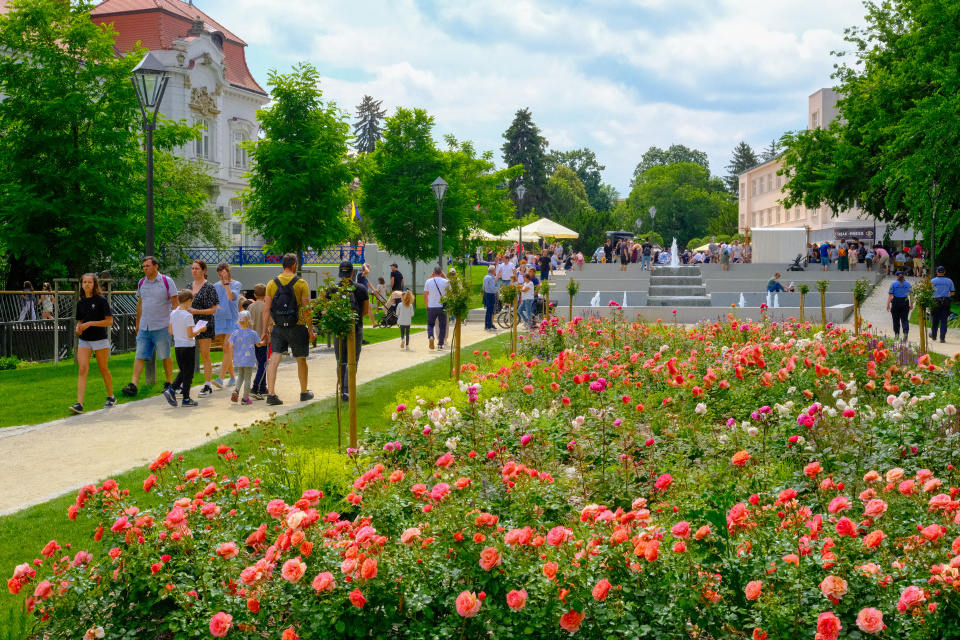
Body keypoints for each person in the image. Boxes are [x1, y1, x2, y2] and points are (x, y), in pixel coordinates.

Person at [261, 253, 315, 406]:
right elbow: (306, 308)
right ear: (294, 265)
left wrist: (265, 331)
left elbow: (267, 310)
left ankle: (271, 394)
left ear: (283, 265)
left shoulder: (272, 283)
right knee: (301, 359)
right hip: (297, 327)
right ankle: (304, 393)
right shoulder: (301, 283)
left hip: (278, 327)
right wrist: (310, 329)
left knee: (274, 359)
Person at [122, 257, 177, 397]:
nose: (145, 268)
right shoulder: (142, 282)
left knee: (165, 355)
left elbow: (175, 304)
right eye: (143, 266)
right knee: (139, 354)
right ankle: (133, 385)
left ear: (155, 266)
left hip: (162, 325)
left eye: (147, 266)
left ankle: (169, 383)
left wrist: (174, 323)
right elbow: (139, 304)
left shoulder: (167, 281)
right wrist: (137, 323)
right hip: (144, 326)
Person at [69, 273, 115, 414]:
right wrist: (79, 327)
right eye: (84, 282)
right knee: (82, 369)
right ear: (81, 284)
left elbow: (109, 321)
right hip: (85, 340)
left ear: (94, 284)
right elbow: (80, 321)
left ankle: (111, 396)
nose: (87, 284)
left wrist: (90, 324)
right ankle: (79, 404)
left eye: (90, 282)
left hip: (100, 339)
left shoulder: (101, 301)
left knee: (103, 368)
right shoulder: (80, 303)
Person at [325, 260, 369, 401]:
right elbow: (366, 310)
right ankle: (347, 390)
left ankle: (342, 389)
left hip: (338, 329)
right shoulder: (361, 288)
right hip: (355, 328)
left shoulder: (332, 289)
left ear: (340, 273)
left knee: (341, 360)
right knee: (353, 360)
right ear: (352, 273)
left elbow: (327, 309)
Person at [162, 289, 205, 408]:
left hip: (177, 346)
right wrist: (200, 329)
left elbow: (170, 331)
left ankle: (173, 390)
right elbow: (191, 334)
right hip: (188, 346)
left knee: (183, 371)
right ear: (188, 300)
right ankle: (184, 397)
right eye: (191, 302)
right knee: (188, 373)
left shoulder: (173, 313)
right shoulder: (188, 315)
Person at [186, 260, 219, 397]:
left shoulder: (209, 287)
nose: (194, 271)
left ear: (204, 270)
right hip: (190, 324)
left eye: (197, 269)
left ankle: (207, 385)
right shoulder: (189, 286)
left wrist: (197, 311)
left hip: (204, 325)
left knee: (205, 355)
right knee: (187, 355)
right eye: (193, 268)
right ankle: (184, 383)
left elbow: (213, 310)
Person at [212, 262, 241, 389]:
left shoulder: (236, 284)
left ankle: (221, 378)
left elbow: (230, 297)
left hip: (232, 319)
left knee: (227, 347)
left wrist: (226, 283)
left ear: (228, 271)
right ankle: (233, 377)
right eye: (219, 275)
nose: (221, 277)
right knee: (225, 349)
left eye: (222, 274)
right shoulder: (215, 286)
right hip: (219, 319)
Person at [228, 310, 259, 405]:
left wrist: (231, 356)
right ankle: (245, 398)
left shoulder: (235, 333)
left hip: (238, 359)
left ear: (239, 321)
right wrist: (263, 342)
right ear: (249, 321)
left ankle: (236, 390)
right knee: (248, 377)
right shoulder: (253, 333)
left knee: (240, 376)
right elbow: (258, 344)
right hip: (249, 360)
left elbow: (230, 346)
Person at [247, 284, 268, 400]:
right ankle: (255, 387)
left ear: (254, 295)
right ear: (266, 295)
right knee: (263, 364)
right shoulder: (266, 306)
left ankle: (263, 387)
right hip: (263, 339)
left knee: (260, 362)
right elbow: (270, 324)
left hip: (252, 339)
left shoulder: (250, 307)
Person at [424, 266, 449, 350]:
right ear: (441, 272)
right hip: (442, 306)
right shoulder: (446, 282)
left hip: (431, 306)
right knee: (442, 325)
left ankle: (431, 336)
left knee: (430, 324)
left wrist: (426, 305)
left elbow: (425, 294)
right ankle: (440, 343)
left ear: (433, 272)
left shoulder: (428, 281)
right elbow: (450, 294)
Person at [930, 266, 955, 344]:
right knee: (944, 320)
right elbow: (953, 292)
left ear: (937, 272)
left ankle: (934, 335)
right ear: (944, 272)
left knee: (935, 319)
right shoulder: (949, 281)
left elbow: (929, 291)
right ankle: (942, 338)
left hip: (935, 301)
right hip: (945, 301)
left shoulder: (933, 281)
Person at [886, 270, 913, 341]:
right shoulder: (908, 284)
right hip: (905, 301)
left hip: (896, 302)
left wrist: (888, 304)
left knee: (896, 320)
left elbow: (890, 295)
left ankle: (897, 334)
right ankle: (905, 333)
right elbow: (911, 295)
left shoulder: (893, 284)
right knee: (904, 319)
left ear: (897, 276)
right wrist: (911, 304)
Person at [482, 265, 497, 332]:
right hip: (491, 294)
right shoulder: (491, 278)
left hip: (486, 294)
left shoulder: (485, 277)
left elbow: (483, 287)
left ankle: (487, 325)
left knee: (488, 311)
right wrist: (498, 289)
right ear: (492, 271)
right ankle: (489, 326)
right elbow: (492, 287)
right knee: (490, 311)